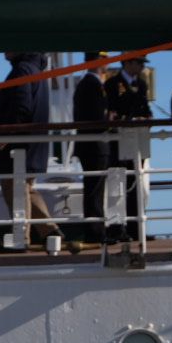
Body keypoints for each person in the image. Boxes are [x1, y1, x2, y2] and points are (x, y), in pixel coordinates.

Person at [0, 50, 61, 251]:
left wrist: (7, 134)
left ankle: (21, 238)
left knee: (14, 187)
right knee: (27, 188)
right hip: (33, 142)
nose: (4, 50)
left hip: (20, 145)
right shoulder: (34, 70)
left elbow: (21, 106)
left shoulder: (22, 70)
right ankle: (50, 230)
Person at [105, 53, 154, 242]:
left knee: (135, 185)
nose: (142, 67)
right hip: (119, 140)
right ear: (127, 63)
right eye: (139, 62)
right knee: (117, 185)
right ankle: (115, 229)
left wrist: (147, 119)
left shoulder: (141, 84)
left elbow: (145, 109)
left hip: (137, 141)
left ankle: (135, 229)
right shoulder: (111, 84)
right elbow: (111, 111)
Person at [73, 51, 112, 243]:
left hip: (94, 144)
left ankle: (96, 229)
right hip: (94, 144)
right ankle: (95, 232)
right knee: (94, 190)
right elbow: (97, 116)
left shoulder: (90, 83)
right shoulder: (91, 84)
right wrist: (111, 120)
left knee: (95, 189)